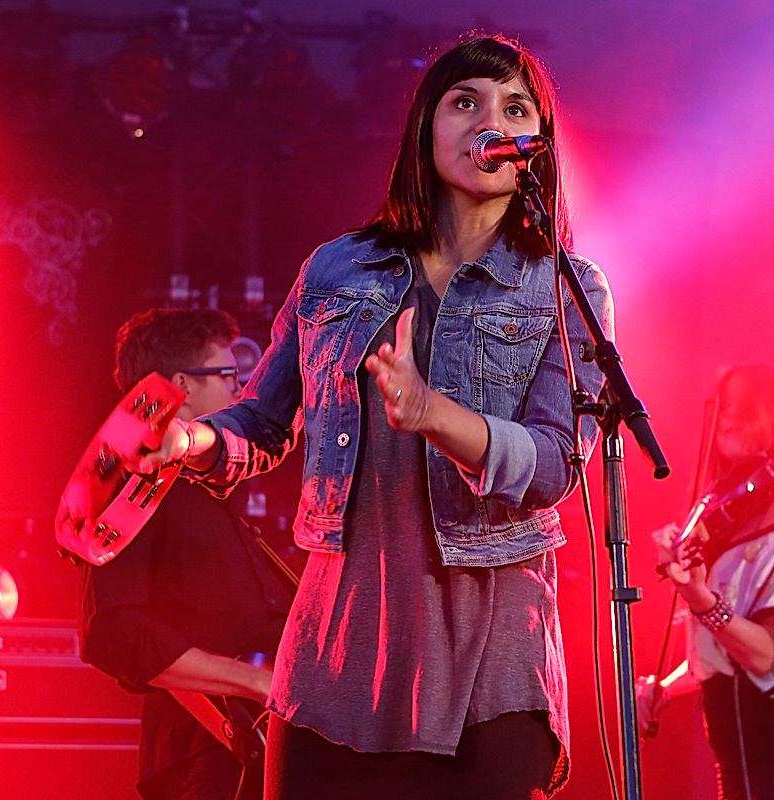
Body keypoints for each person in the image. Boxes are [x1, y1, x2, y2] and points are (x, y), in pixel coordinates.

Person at [131, 34, 614, 800]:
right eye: (466, 102)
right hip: (338, 648)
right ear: (426, 128)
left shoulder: (565, 286)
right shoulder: (335, 270)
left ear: (533, 149)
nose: (488, 121)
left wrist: (430, 414)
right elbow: (261, 421)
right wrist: (189, 437)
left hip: (489, 656)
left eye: (513, 108)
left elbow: (554, 464)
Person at [78, 307, 295, 800]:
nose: (239, 392)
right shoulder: (130, 487)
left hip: (251, 752)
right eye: (227, 376)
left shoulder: (204, 486)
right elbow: (111, 631)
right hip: (203, 759)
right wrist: (254, 682)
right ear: (182, 384)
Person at [637, 364, 774, 800]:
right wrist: (667, 686)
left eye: (747, 408)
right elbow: (732, 650)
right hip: (742, 765)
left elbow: (766, 656)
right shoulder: (728, 516)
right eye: (726, 408)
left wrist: (701, 599)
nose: (728, 418)